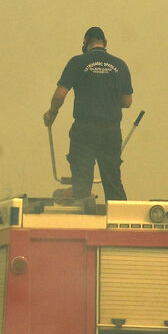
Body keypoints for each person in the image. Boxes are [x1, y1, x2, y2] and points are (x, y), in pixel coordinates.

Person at [43, 26, 133, 202]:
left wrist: (52, 113)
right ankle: (119, 220)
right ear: (105, 43)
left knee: (82, 183)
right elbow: (127, 102)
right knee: (113, 181)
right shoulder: (120, 65)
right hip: (111, 130)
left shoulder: (77, 62)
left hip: (85, 129)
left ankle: (84, 216)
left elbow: (60, 95)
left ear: (85, 42)